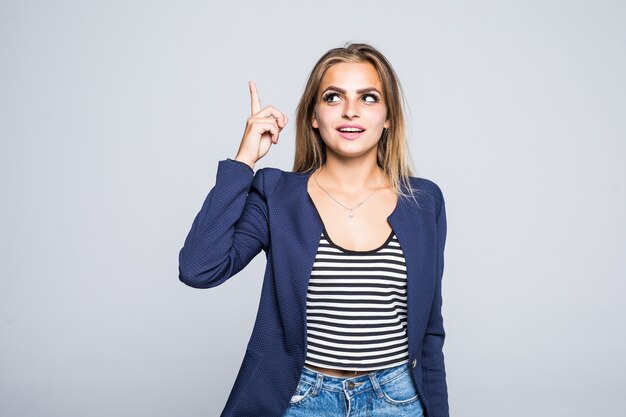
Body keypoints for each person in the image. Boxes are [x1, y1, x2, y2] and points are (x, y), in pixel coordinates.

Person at [178, 42, 449, 417]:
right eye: (334, 97)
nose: (351, 111)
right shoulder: (276, 194)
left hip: (397, 400)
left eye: (368, 97)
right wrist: (244, 162)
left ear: (388, 117)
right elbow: (198, 268)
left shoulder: (424, 201)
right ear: (313, 116)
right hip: (302, 399)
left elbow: (430, 332)